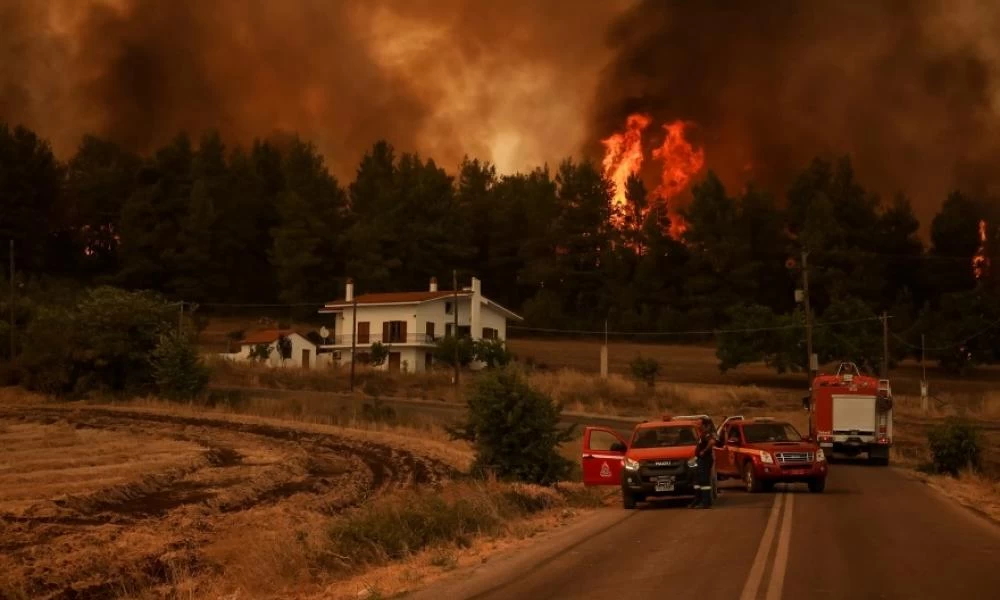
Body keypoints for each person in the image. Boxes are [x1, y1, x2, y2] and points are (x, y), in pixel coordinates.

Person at [691, 417, 717, 508]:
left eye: (699, 424)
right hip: (700, 460)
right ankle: (698, 500)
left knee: (704, 481)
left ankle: (706, 502)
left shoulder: (707, 434)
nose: (697, 426)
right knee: (698, 480)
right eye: (696, 424)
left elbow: (712, 442)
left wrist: (704, 451)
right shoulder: (701, 434)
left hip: (705, 460)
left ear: (704, 425)